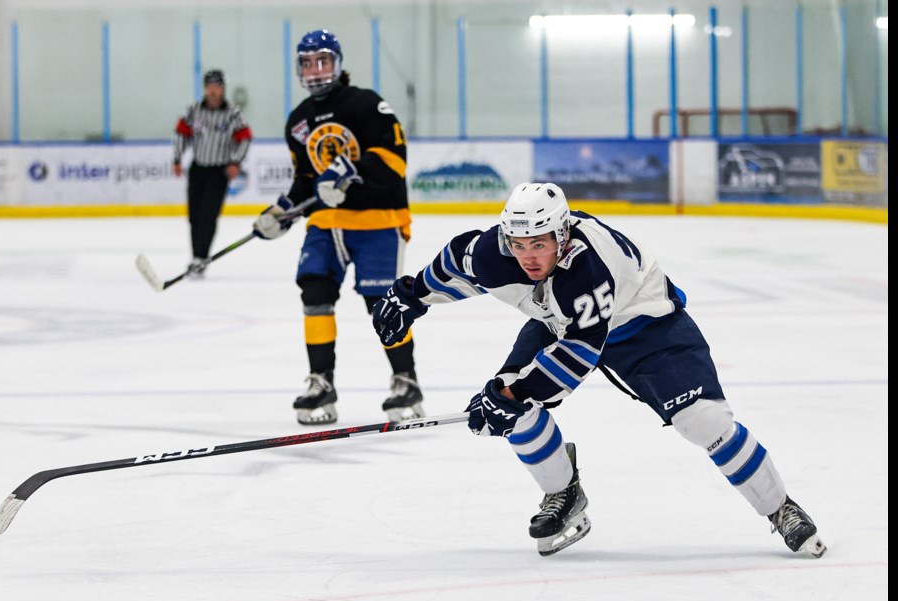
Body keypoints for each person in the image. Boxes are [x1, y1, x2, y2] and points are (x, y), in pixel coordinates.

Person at [371, 182, 827, 558]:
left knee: (704, 421)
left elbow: (579, 352)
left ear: (562, 236)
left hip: (645, 323)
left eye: (540, 244)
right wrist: (410, 296)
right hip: (562, 320)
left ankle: (779, 507)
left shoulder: (587, 266)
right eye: (519, 244)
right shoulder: (498, 250)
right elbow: (456, 262)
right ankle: (564, 492)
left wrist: (512, 398)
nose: (528, 256)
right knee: (511, 400)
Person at [251, 29, 423, 426]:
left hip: (378, 219)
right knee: (314, 291)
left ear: (339, 63)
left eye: (323, 60)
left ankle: (406, 380)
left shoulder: (366, 103)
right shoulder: (298, 122)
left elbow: (395, 161)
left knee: (381, 305)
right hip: (327, 224)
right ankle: (321, 383)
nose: (315, 70)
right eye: (307, 62)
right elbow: (304, 182)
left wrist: (348, 171)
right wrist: (281, 212)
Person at [172, 69, 252, 278]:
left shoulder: (233, 114)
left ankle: (200, 258)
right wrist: (178, 158)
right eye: (210, 86)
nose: (214, 91)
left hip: (219, 171)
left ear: (223, 89)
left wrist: (236, 161)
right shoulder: (193, 111)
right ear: (205, 88)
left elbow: (245, 137)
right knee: (194, 216)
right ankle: (196, 256)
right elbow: (182, 134)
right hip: (198, 169)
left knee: (209, 215)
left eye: (217, 86)